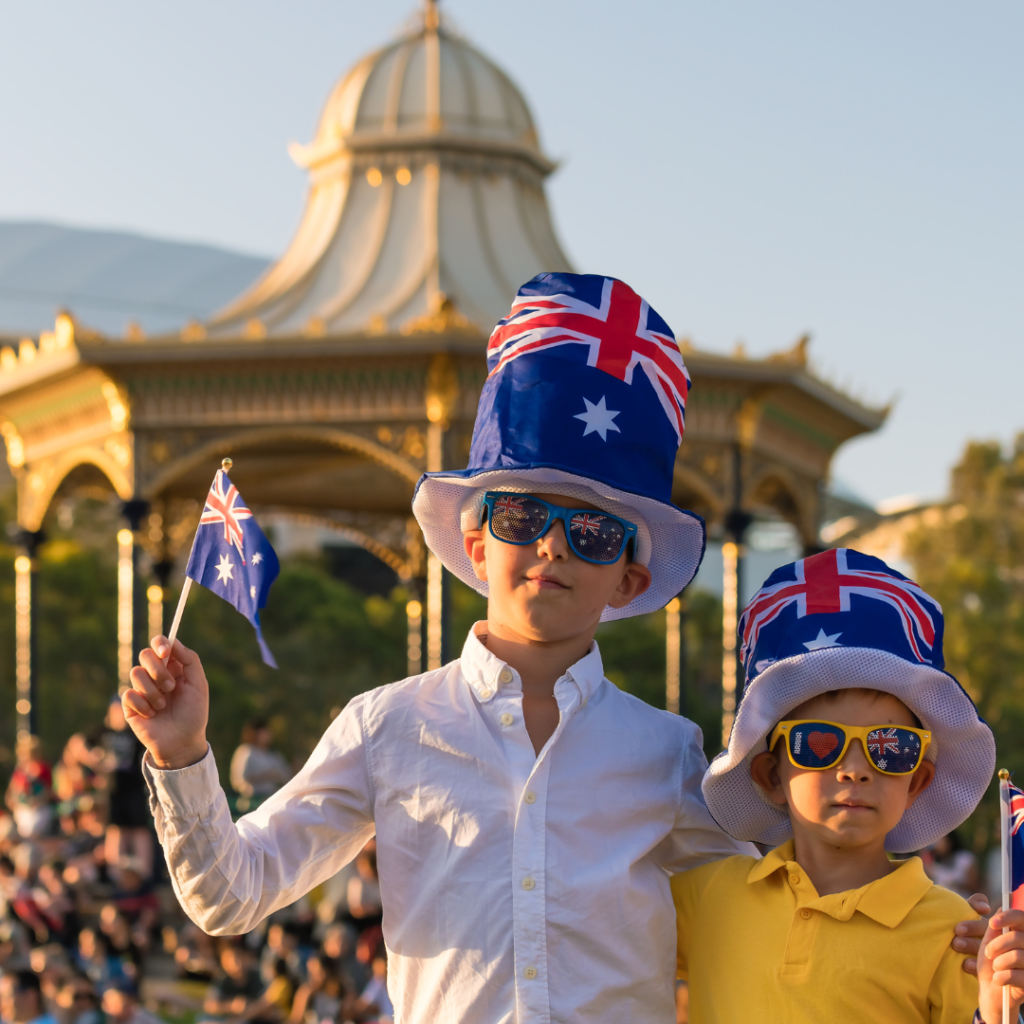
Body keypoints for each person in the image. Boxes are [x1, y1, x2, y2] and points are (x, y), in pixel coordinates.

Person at [123, 273, 989, 1022]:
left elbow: (781, 915)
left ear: (629, 581)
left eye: (593, 532)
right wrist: (182, 754)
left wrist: (949, 944)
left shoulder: (667, 754)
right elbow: (230, 896)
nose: (553, 547)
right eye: (524, 516)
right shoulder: (385, 727)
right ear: (475, 544)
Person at [672, 549, 1024, 1023]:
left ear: (917, 780)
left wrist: (998, 997)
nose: (855, 771)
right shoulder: (703, 899)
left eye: (890, 747)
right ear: (771, 776)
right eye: (818, 743)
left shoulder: (954, 933)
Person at [100, 698, 152, 880]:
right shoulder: (103, 732)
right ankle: (116, 876)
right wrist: (95, 760)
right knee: (116, 830)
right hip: (114, 791)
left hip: (135, 788)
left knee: (139, 830)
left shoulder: (135, 731)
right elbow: (77, 744)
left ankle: (144, 875)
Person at [230, 721, 291, 814]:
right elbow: (238, 780)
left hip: (272, 800)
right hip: (251, 803)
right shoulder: (246, 751)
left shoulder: (274, 755)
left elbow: (287, 777)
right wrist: (264, 776)